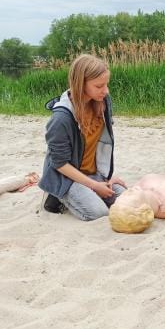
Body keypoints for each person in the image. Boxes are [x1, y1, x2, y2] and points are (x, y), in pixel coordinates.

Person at [39, 54, 126, 221]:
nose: (106, 91)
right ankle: (55, 196)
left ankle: (89, 191)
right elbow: (59, 164)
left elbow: (98, 147)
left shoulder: (103, 102)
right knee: (99, 213)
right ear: (80, 84)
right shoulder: (60, 119)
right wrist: (94, 186)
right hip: (66, 177)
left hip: (94, 173)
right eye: (99, 86)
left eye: (106, 84)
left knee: (127, 199)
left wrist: (107, 178)